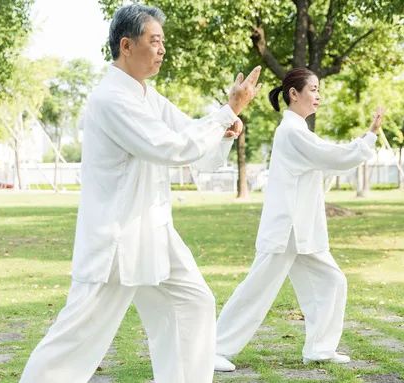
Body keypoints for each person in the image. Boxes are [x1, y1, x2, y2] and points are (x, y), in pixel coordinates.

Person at [19, 4, 262, 383]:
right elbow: (169, 148)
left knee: (193, 303)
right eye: (155, 41)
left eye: (163, 41)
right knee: (76, 337)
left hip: (152, 231)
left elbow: (191, 142)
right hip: (115, 240)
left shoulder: (148, 97)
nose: (162, 49)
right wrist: (226, 111)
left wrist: (224, 125)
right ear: (126, 45)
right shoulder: (111, 99)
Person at [214, 67, 383, 372]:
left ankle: (320, 348)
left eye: (319, 90)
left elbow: (325, 161)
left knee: (332, 281)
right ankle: (215, 347)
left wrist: (362, 144)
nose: (318, 95)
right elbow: (332, 156)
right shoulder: (291, 131)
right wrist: (367, 139)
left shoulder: (298, 131)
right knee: (256, 289)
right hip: (286, 229)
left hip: (300, 230)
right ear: (294, 94)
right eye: (313, 89)